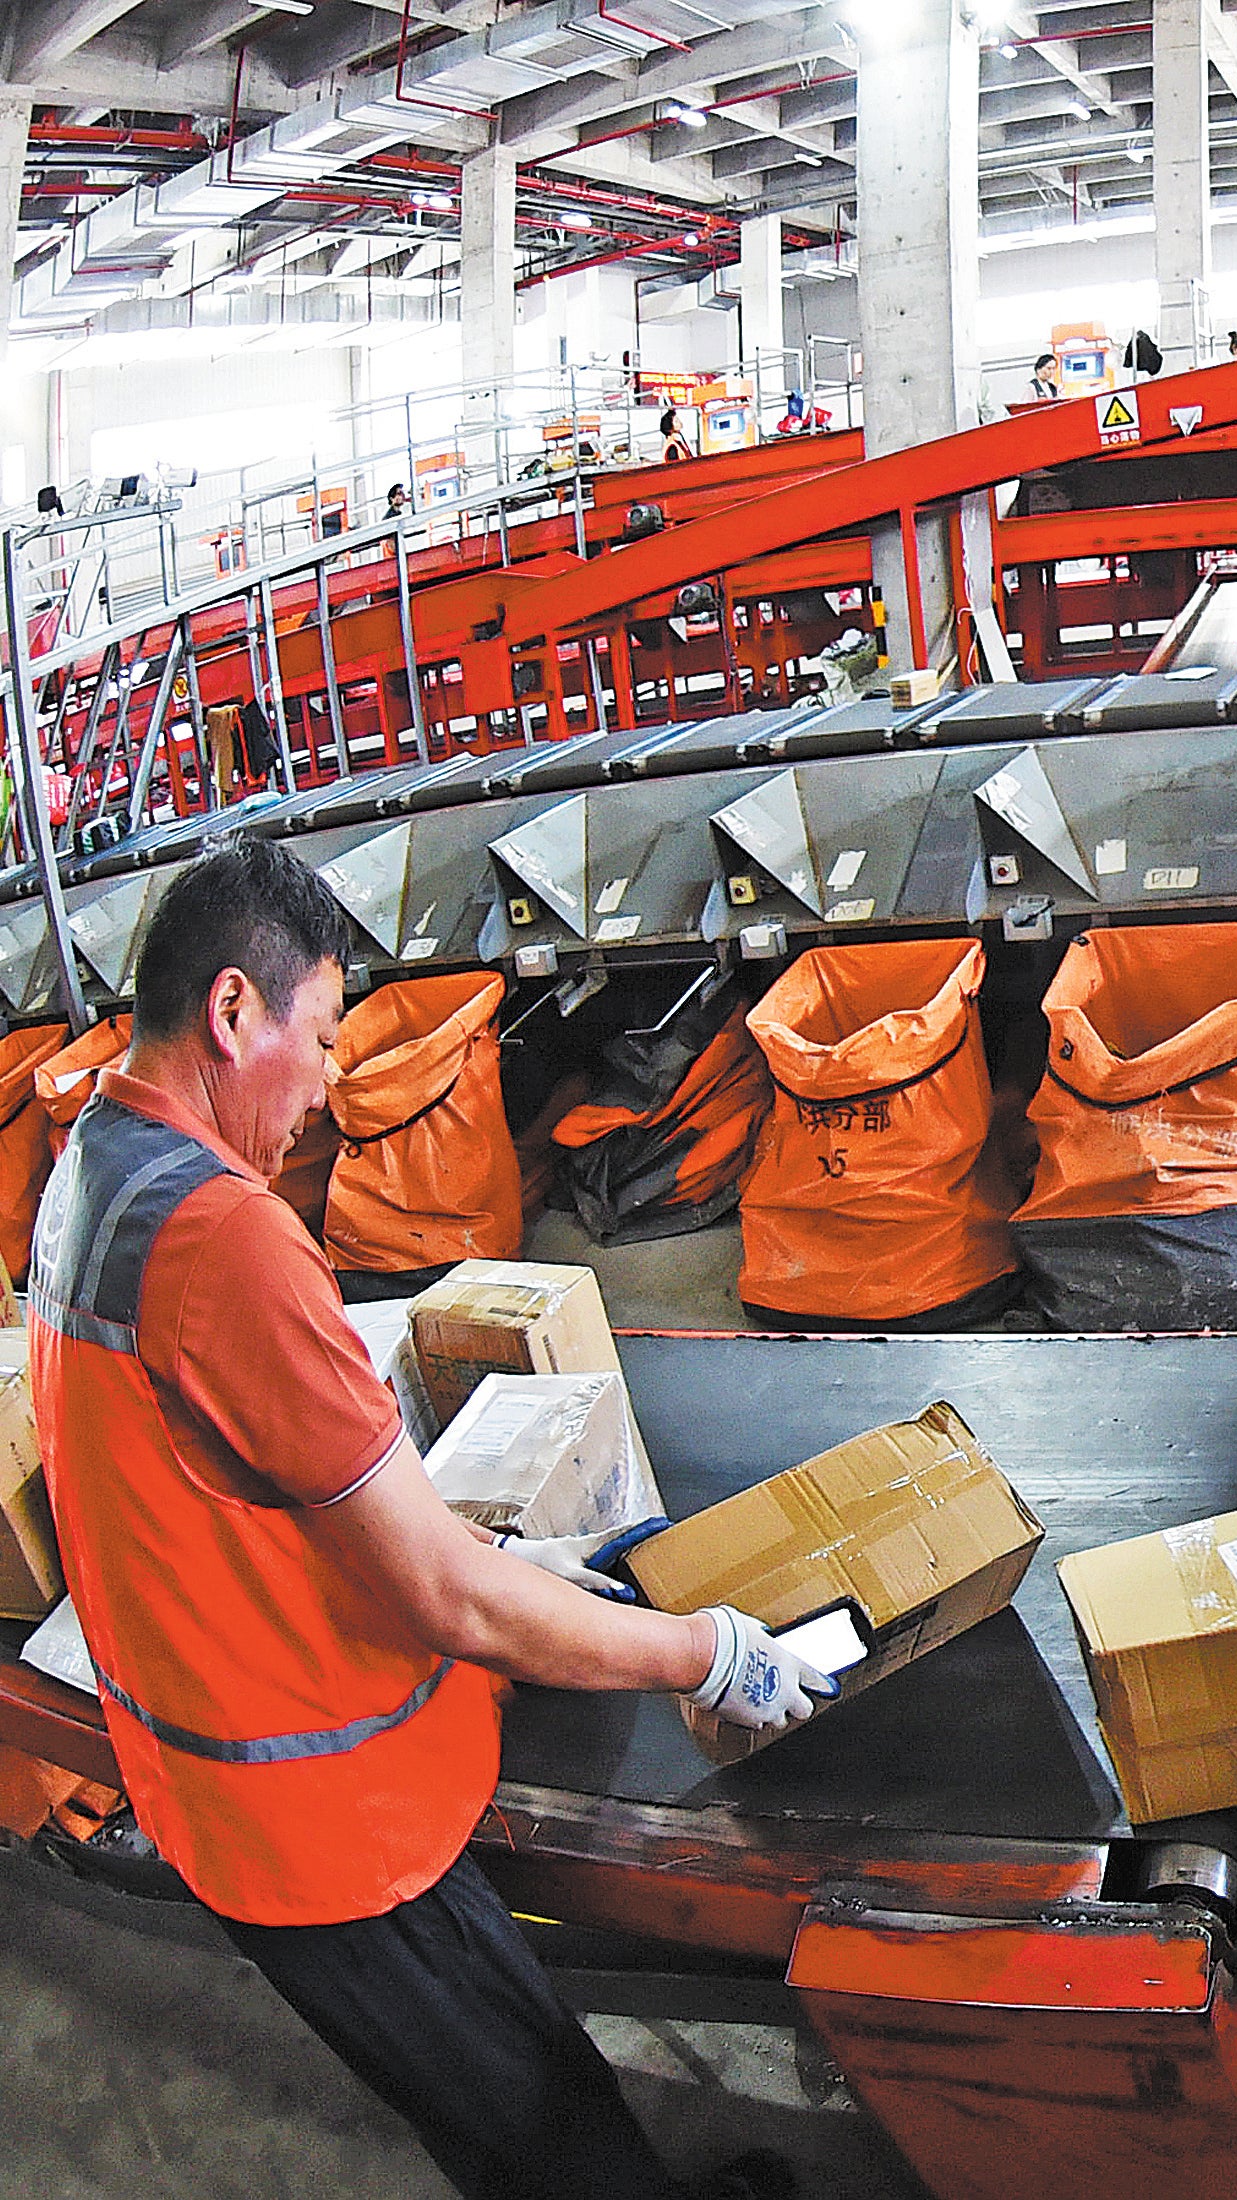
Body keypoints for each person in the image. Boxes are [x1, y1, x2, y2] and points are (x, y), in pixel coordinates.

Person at [32, 838, 836, 2200]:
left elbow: (221, 1474)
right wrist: (704, 1653)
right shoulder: (227, 1242)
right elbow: (446, 1606)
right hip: (327, 1824)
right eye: (326, 1036)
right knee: (538, 2133)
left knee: (515, 2086)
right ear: (235, 1012)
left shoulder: (92, 1171)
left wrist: (495, 1549)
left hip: (216, 1782)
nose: (333, 1085)